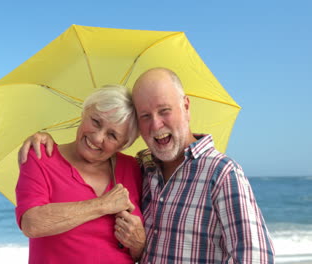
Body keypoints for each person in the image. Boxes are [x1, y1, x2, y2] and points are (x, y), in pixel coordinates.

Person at [19, 68, 275, 263]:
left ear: (186, 106)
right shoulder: (147, 169)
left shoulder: (219, 173)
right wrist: (104, 207)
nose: (156, 125)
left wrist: (138, 241)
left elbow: (255, 256)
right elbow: (32, 223)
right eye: (145, 116)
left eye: (164, 111)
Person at [15, 85, 146, 264]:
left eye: (112, 135)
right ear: (84, 112)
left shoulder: (132, 168)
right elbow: (32, 224)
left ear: (124, 144)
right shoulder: (40, 156)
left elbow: (138, 253)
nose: (98, 137)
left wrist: (139, 243)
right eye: (96, 121)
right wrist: (102, 204)